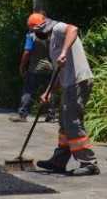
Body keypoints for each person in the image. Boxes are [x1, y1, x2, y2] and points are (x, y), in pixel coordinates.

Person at [29, 12, 100, 175]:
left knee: (73, 122)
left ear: (40, 28)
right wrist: (47, 92)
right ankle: (59, 161)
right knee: (64, 122)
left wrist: (64, 52)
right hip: (69, 84)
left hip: (78, 81)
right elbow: (57, 72)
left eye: (35, 32)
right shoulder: (52, 42)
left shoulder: (58, 28)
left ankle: (89, 163)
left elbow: (73, 29)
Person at [10, 17, 56, 123]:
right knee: (49, 91)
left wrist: (22, 66)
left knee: (27, 91)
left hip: (34, 69)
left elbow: (27, 52)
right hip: (49, 69)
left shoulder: (31, 36)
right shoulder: (51, 35)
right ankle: (51, 115)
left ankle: (22, 114)